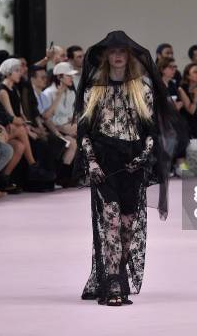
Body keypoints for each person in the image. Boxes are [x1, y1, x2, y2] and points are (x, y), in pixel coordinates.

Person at [74, 31, 173, 307]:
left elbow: (152, 129)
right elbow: (84, 130)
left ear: (129, 55)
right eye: (113, 51)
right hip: (104, 161)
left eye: (122, 51)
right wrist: (91, 161)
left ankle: (116, 275)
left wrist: (143, 156)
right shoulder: (93, 87)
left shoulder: (142, 87)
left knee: (128, 225)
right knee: (112, 221)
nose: (117, 56)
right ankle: (114, 283)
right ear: (106, 55)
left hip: (133, 162)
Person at [41, 62, 78, 138]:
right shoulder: (48, 93)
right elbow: (46, 117)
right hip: (54, 130)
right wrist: (58, 96)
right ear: (59, 77)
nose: (72, 78)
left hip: (70, 127)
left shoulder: (71, 93)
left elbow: (71, 115)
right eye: (68, 75)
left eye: (72, 75)